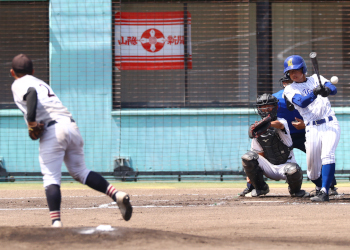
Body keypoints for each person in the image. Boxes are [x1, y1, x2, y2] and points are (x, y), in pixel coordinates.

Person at [10, 54, 133, 227]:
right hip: (70, 126)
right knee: (80, 171)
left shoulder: (19, 83)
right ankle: (116, 195)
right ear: (33, 70)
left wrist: (31, 123)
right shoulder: (40, 82)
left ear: (12, 72)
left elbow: (30, 94)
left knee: (51, 177)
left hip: (52, 131)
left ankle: (56, 223)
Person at [282, 55, 340, 202]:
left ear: (303, 69)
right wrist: (315, 92)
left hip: (329, 123)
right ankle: (322, 187)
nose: (293, 73)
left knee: (328, 155)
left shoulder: (316, 78)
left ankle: (325, 191)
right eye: (290, 72)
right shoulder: (289, 89)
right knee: (313, 173)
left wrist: (326, 90)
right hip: (311, 128)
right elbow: (301, 102)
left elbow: (333, 89)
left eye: (296, 70)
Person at [239, 93, 309, 198]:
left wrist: (266, 124)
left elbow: (279, 125)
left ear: (276, 107)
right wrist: (251, 175)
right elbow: (259, 154)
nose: (266, 110)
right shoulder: (257, 130)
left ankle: (295, 191)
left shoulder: (282, 121)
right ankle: (260, 188)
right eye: (263, 108)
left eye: (269, 107)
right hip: (269, 167)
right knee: (248, 157)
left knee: (294, 170)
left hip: (285, 166)